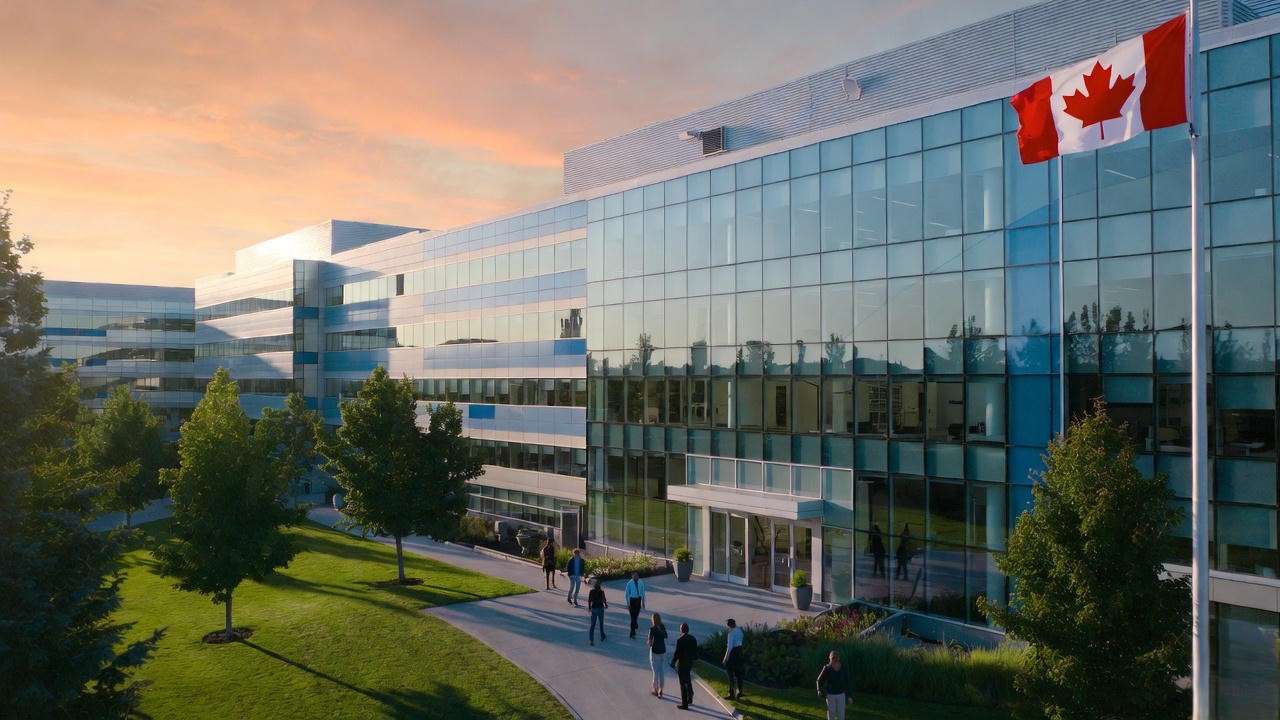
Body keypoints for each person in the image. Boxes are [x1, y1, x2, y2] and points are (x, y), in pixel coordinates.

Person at [669, 622, 698, 710]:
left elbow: (677, 653)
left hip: (682, 663)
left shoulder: (680, 640)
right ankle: (690, 695)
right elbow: (695, 651)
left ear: (681, 630)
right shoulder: (693, 638)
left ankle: (684, 704)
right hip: (690, 662)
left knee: (682, 684)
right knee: (688, 678)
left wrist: (673, 662)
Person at [816, 650, 850, 720]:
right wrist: (819, 690)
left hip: (841, 694)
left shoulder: (843, 667)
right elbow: (819, 681)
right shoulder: (827, 668)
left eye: (835, 658)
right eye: (832, 658)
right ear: (830, 658)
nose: (833, 660)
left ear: (838, 658)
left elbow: (848, 682)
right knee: (831, 714)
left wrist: (849, 695)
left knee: (841, 714)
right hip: (830, 694)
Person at [723, 618, 745, 700]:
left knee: (730, 675)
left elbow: (729, 648)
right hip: (739, 652)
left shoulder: (731, 634)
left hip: (733, 654)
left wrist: (725, 658)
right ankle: (740, 692)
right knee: (739, 674)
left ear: (729, 625)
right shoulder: (740, 630)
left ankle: (732, 693)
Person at [647, 613, 668, 699]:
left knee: (655, 672)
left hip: (655, 651)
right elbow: (666, 636)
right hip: (662, 651)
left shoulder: (652, 629)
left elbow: (650, 642)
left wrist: (648, 642)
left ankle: (655, 690)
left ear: (653, 620)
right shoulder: (662, 627)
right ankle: (661, 690)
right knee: (661, 671)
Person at [624, 571, 647, 639]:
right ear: (632, 576)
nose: (636, 577)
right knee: (633, 617)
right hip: (632, 601)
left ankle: (635, 623)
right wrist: (628, 604)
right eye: (635, 575)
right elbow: (626, 594)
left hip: (638, 600)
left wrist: (643, 602)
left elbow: (643, 592)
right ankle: (632, 632)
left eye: (637, 575)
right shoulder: (629, 583)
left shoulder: (641, 582)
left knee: (636, 615)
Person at [587, 578, 608, 645]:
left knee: (592, 625)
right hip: (600, 608)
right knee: (601, 623)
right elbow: (604, 599)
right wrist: (606, 605)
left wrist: (590, 608)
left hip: (594, 609)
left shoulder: (591, 591)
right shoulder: (601, 591)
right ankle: (602, 636)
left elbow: (589, 600)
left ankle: (591, 640)